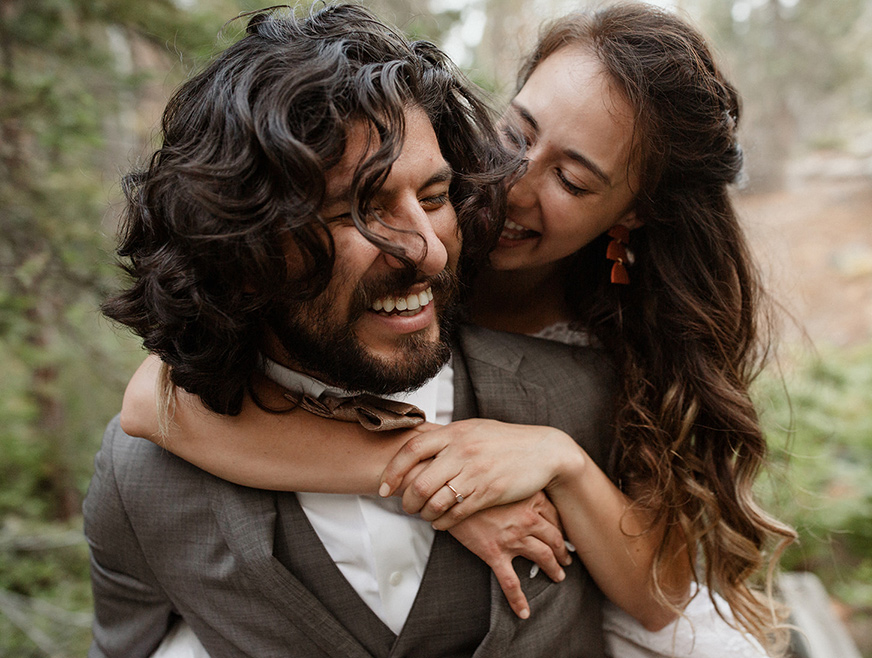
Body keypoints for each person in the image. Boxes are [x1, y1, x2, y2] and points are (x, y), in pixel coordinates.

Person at [120, 2, 798, 657]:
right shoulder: (411, 206)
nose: (513, 180)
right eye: (518, 132)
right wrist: (439, 480)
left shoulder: (637, 332)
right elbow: (154, 400)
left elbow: (661, 596)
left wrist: (559, 462)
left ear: (634, 213)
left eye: (570, 177)